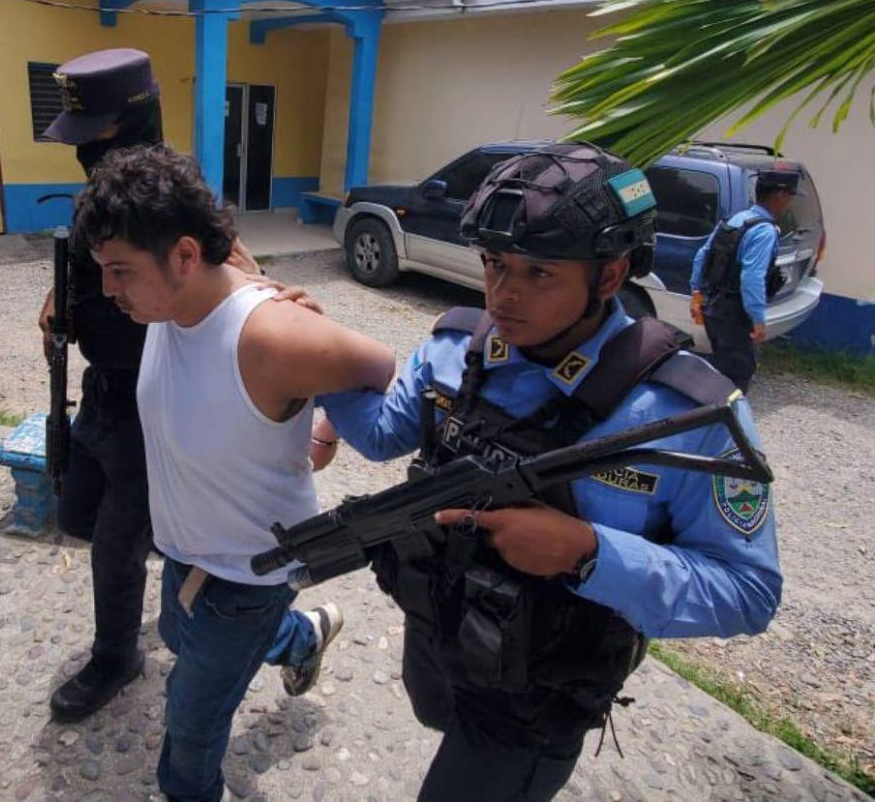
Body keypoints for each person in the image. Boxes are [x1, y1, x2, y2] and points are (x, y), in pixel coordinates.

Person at [317, 142, 782, 801]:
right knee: (435, 713)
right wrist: (313, 359)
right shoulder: (455, 349)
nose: (503, 293)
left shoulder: (688, 412)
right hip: (440, 632)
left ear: (611, 276)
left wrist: (589, 553)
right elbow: (381, 431)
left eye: (539, 273)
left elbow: (748, 592)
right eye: (493, 264)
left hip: (538, 698)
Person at [74, 143, 396, 802]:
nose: (109, 290)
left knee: (190, 722)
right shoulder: (170, 301)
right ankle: (301, 635)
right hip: (188, 554)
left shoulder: (270, 335)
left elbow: (387, 370)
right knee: (174, 635)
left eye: (119, 272)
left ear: (185, 257)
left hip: (249, 575)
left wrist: (324, 430)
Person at [36, 49, 311, 722]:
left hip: (152, 404)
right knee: (77, 516)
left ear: (130, 123)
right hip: (103, 392)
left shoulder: (169, 203)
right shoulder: (103, 199)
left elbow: (241, 276)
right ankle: (282, 631)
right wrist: (56, 298)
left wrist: (280, 301)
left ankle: (116, 656)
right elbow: (94, 265)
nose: (83, 154)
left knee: (117, 542)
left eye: (93, 135)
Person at [689, 165, 801, 392]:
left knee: (721, 369)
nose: (790, 202)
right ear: (779, 195)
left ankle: (704, 418)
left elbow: (703, 254)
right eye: (790, 196)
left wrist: (696, 293)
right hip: (735, 314)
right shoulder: (764, 231)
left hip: (714, 307)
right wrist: (758, 318)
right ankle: (716, 424)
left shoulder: (737, 219)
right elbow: (752, 277)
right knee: (735, 380)